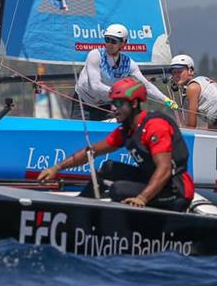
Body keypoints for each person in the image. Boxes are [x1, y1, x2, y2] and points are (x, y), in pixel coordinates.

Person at [39, 77, 194, 211]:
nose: (113, 108)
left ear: (134, 104)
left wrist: (142, 198)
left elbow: (165, 170)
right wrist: (57, 168)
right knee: (108, 168)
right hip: (154, 183)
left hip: (176, 191)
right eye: (112, 103)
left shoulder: (155, 127)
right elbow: (91, 151)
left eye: (119, 103)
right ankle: (78, 207)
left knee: (118, 189)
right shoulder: (127, 130)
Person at [72, 23, 178, 120]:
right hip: (83, 102)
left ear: (123, 43)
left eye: (114, 41)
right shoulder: (95, 55)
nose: (109, 44)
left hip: (106, 105)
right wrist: (122, 94)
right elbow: (95, 86)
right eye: (107, 39)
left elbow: (146, 86)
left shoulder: (129, 64)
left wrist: (166, 100)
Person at [169, 54, 217, 135]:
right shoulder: (203, 80)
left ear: (190, 71)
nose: (176, 75)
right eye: (174, 72)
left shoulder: (192, 88)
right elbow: (213, 117)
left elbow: (191, 126)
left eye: (179, 72)